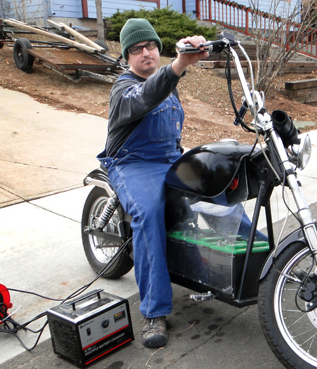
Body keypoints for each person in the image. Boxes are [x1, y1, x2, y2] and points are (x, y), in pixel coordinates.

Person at [97, 18, 209, 348]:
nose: (146, 53)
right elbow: (146, 95)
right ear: (126, 57)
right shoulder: (123, 88)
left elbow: (161, 87)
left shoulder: (168, 83)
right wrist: (179, 64)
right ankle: (154, 312)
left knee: (219, 190)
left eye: (151, 46)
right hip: (132, 163)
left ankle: (253, 267)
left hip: (169, 160)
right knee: (148, 213)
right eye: (136, 49)